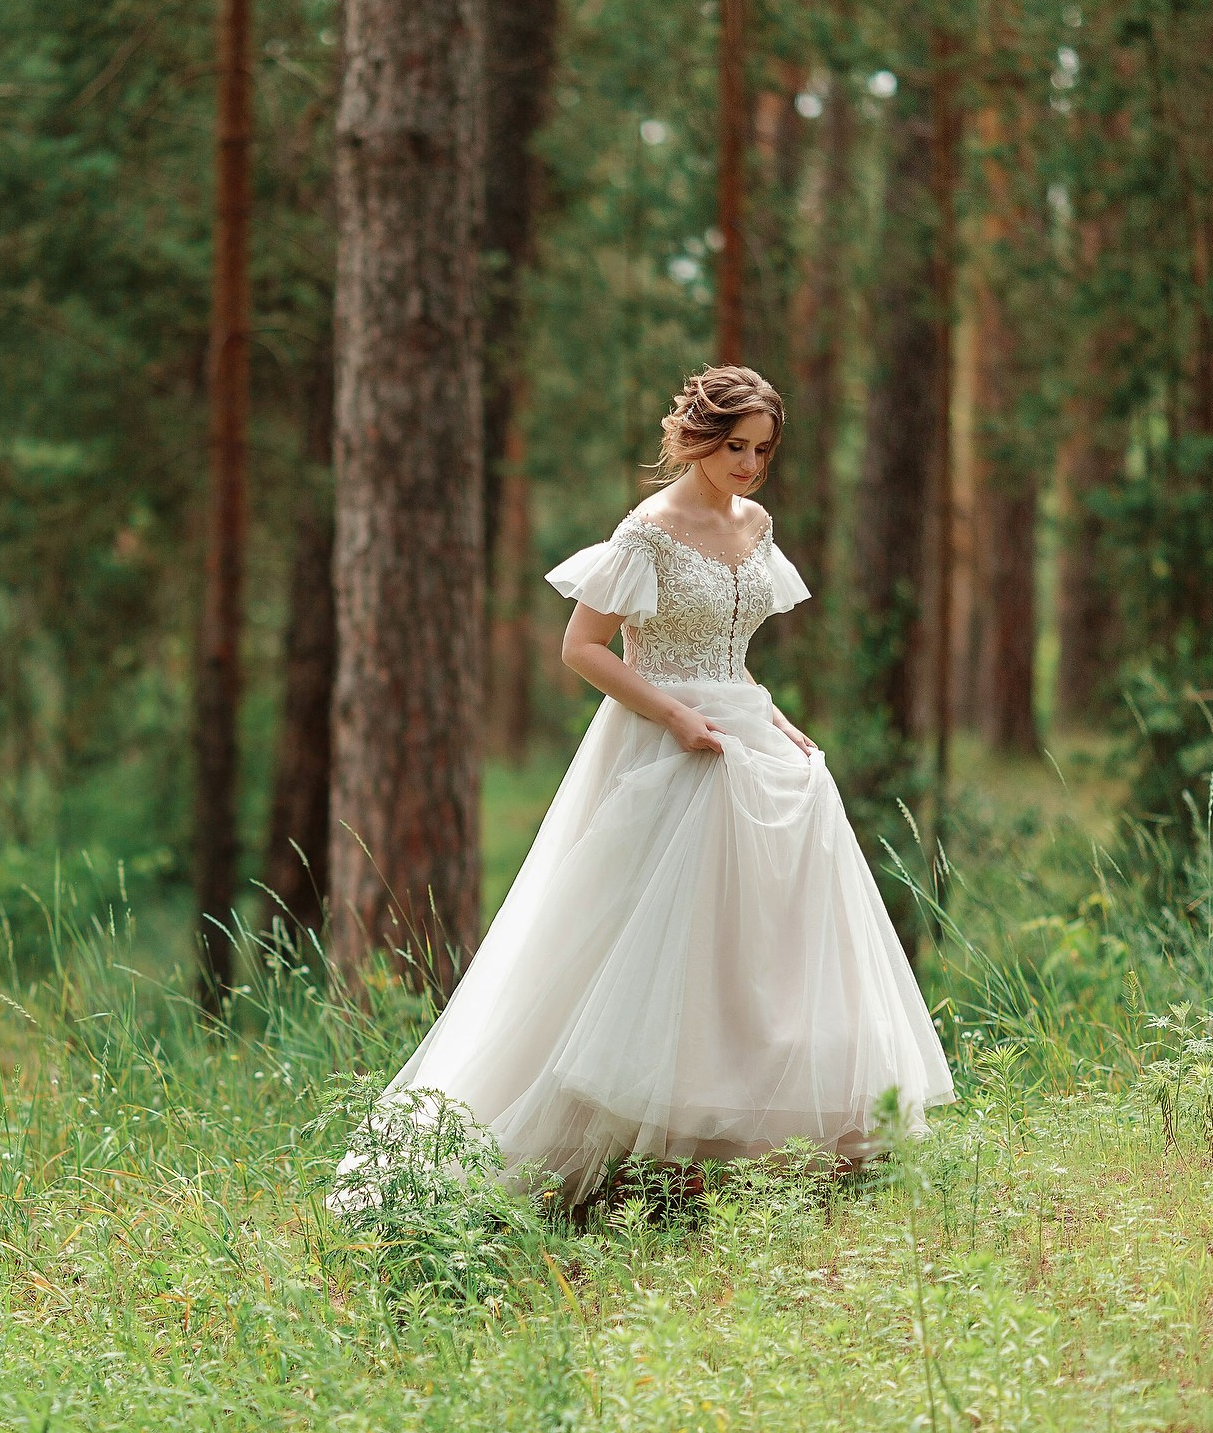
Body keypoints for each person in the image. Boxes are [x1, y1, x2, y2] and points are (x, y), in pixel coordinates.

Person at [356, 363, 954, 1209]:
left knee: (758, 942)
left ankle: (755, 1137)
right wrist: (675, 717)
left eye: (762, 450)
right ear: (700, 439)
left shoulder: (756, 523)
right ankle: (636, 1155)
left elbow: (735, 648)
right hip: (668, 736)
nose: (749, 466)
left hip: (745, 725)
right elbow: (584, 647)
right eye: (736, 447)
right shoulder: (647, 530)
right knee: (654, 940)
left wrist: (768, 712)